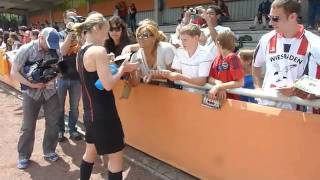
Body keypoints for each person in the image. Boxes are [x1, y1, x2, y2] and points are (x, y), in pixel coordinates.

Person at [73, 12, 139, 180]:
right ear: (96, 28)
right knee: (116, 158)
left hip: (90, 112)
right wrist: (123, 69)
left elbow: (93, 77)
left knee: (90, 152)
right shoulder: (98, 50)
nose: (107, 35)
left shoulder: (82, 50)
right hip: (104, 114)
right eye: (106, 31)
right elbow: (108, 84)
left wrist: (108, 62)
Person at [252, 0, 320, 110]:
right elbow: (256, 66)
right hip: (268, 107)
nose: (270, 23)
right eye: (270, 17)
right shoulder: (266, 39)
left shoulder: (315, 42)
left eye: (275, 18)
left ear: (292, 17)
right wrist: (258, 89)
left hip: (299, 112)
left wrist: (297, 90)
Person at [11, 27, 61, 169]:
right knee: (28, 126)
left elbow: (59, 69)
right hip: (31, 93)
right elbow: (14, 72)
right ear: (40, 37)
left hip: (50, 92)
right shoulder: (26, 49)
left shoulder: (55, 49)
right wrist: (31, 84)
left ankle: (49, 150)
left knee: (53, 123)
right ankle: (23, 155)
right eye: (48, 44)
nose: (51, 48)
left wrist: (52, 77)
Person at [161, 24, 212, 90]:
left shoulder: (206, 54)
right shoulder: (179, 51)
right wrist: (168, 74)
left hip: (202, 96)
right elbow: (177, 73)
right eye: (181, 40)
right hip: (184, 93)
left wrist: (180, 77)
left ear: (196, 38)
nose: (182, 43)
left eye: (185, 40)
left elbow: (202, 81)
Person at [57, 9, 82, 142]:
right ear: (65, 20)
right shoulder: (60, 34)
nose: (72, 21)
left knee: (74, 108)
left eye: (75, 18)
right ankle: (60, 130)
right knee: (59, 107)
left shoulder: (81, 34)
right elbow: (63, 51)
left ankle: (72, 130)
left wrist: (79, 33)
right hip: (62, 76)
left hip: (77, 77)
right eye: (70, 19)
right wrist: (70, 34)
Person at [208, 31, 244, 100]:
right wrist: (218, 83)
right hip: (217, 101)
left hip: (232, 102)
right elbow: (209, 78)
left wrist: (219, 87)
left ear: (218, 44)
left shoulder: (233, 58)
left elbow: (240, 82)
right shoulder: (217, 58)